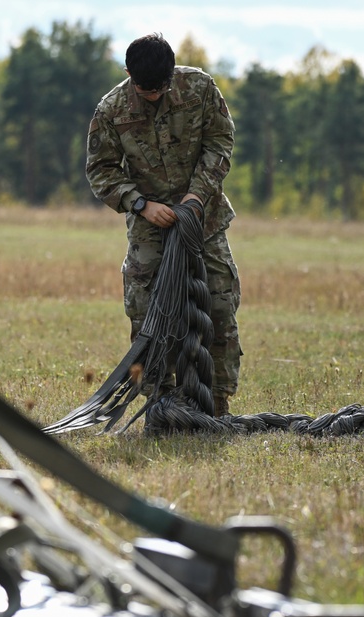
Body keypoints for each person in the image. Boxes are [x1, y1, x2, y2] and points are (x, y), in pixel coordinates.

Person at [85, 33, 241, 417]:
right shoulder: (111, 109)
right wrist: (140, 204)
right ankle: (161, 403)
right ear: (128, 74)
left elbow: (220, 143)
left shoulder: (199, 87)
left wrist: (197, 196)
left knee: (220, 305)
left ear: (172, 73)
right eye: (146, 89)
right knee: (147, 314)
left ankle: (216, 403)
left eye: (161, 87)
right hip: (149, 227)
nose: (154, 95)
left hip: (203, 220)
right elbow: (101, 170)